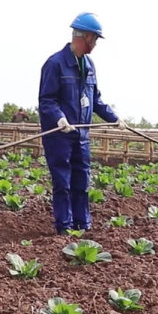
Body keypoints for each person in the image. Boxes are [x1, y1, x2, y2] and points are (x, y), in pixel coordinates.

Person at [38, 12, 126, 234]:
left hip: (82, 136)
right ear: (83, 36)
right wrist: (60, 118)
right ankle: (64, 229)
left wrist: (114, 118)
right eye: (94, 39)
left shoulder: (89, 65)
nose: (95, 44)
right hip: (60, 135)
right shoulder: (55, 64)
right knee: (63, 183)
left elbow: (95, 100)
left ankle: (83, 227)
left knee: (82, 183)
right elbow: (47, 101)